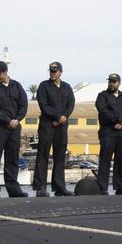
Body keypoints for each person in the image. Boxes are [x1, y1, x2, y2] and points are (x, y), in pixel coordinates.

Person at [0, 60, 29, 198]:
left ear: (5, 72)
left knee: (12, 158)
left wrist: (17, 119)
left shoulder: (17, 86)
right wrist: (8, 120)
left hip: (14, 128)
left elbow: (24, 104)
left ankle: (13, 189)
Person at [32, 61, 75, 196]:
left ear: (60, 72)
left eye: (55, 71)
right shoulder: (44, 86)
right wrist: (58, 117)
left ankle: (59, 187)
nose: (52, 73)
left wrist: (65, 117)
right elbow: (44, 105)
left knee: (60, 156)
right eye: (51, 71)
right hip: (47, 125)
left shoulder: (67, 87)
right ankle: (40, 188)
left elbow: (71, 104)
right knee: (43, 155)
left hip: (62, 127)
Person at [95, 73, 122, 195]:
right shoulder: (102, 96)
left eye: (114, 82)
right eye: (110, 81)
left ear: (119, 83)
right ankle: (103, 188)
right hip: (108, 131)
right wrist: (117, 120)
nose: (111, 84)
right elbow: (103, 110)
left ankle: (120, 187)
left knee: (121, 159)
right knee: (105, 159)